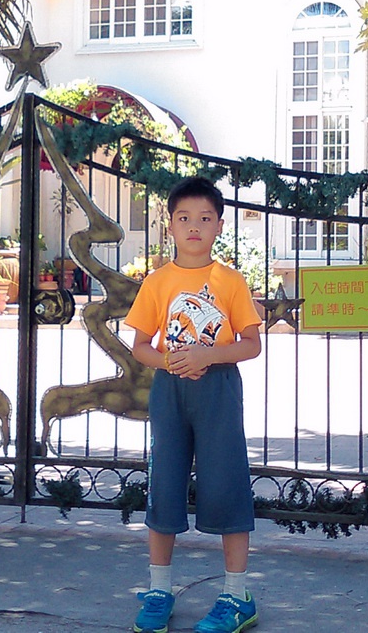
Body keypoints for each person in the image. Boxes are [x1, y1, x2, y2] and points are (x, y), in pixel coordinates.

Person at [124, 176, 263, 633]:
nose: (194, 227)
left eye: (205, 218)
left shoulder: (229, 281)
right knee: (164, 484)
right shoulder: (158, 281)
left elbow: (251, 344)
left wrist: (208, 355)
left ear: (219, 225)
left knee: (226, 484)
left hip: (218, 389)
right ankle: (158, 590)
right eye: (184, 218)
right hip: (170, 390)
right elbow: (140, 346)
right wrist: (174, 360)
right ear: (170, 225)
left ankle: (236, 595)